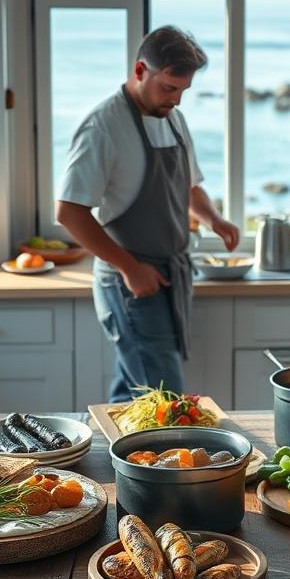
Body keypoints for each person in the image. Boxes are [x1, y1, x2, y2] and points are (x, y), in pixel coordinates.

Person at [56, 26, 239, 402]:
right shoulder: (103, 127)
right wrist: (128, 267)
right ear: (140, 70)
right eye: (169, 88)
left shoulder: (172, 118)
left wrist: (214, 219)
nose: (177, 100)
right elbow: (70, 211)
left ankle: (113, 461)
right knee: (163, 398)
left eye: (182, 91)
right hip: (131, 285)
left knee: (134, 392)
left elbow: (188, 186)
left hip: (168, 277)